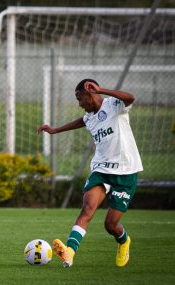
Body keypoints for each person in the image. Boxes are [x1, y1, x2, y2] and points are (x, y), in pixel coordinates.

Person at [37, 79, 143, 268]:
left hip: (126, 172)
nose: (79, 104)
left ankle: (124, 241)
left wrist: (102, 90)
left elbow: (131, 98)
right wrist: (54, 130)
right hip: (101, 170)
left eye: (80, 99)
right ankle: (69, 253)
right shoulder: (89, 117)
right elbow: (81, 121)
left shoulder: (114, 106)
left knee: (110, 225)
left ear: (91, 94)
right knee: (87, 209)